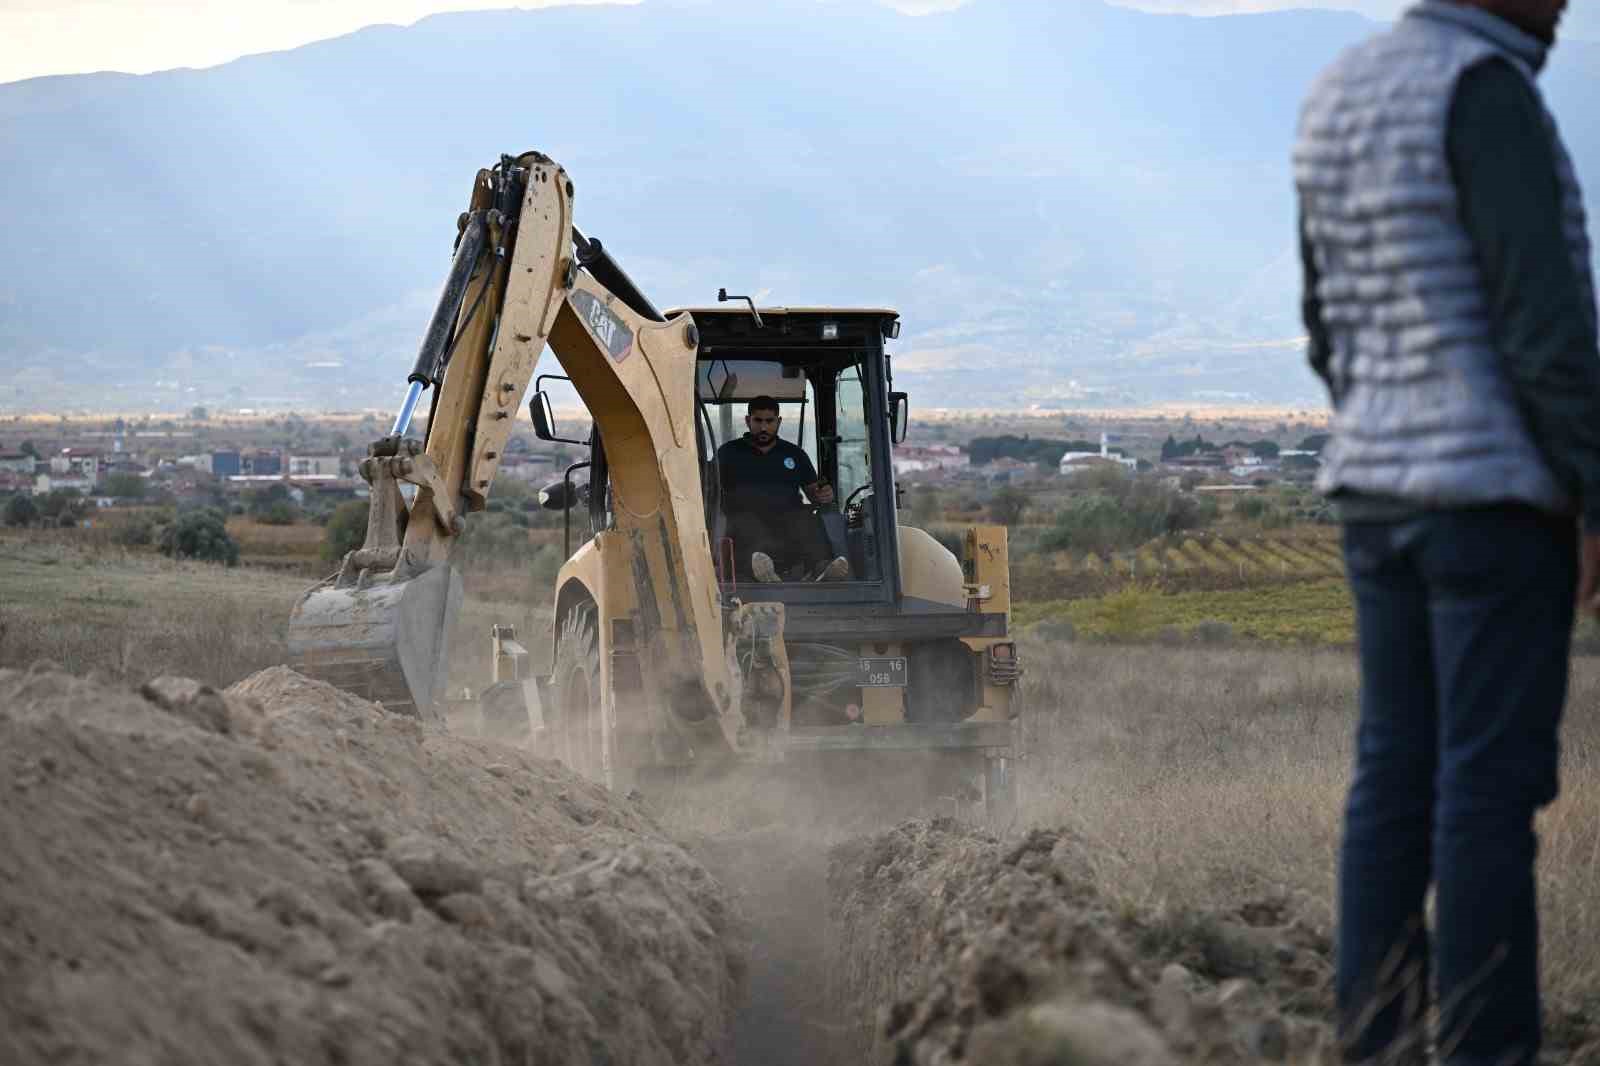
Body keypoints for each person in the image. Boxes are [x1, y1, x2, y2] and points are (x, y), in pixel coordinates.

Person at [1295, 1, 1600, 1062]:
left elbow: (1325, 324)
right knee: (1485, 791)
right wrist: (1592, 488)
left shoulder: (1337, 93)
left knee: (1391, 778)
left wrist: (1386, 421)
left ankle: (1376, 1043)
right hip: (1490, 501)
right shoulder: (1483, 90)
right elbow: (1544, 323)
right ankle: (1483, 1051)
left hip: (1375, 495)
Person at [716, 396, 849, 583]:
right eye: (758, 421)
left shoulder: (794, 454)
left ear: (778, 422)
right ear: (748, 421)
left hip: (787, 523)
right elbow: (709, 489)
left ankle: (821, 567)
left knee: (806, 518)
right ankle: (760, 570)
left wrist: (824, 494)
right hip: (745, 521)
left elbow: (814, 494)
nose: (763, 427)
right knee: (743, 522)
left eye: (769, 421)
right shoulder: (728, 453)